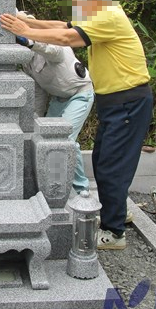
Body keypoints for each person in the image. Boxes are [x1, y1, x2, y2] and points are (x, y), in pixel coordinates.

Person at [0, 0, 153, 250]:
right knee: (106, 161)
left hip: (128, 101)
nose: (76, 5)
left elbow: (67, 39)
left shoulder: (110, 16)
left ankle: (114, 231)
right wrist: (23, 21)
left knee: (111, 165)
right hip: (116, 102)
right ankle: (116, 211)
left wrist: (25, 31)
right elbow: (63, 26)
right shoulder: (101, 13)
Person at [16, 14, 94, 193]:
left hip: (80, 94)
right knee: (45, 138)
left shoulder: (52, 42)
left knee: (65, 141)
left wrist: (30, 41)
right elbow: (38, 93)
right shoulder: (26, 61)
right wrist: (35, 120)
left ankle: (82, 188)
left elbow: (55, 52)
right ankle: (51, 184)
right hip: (58, 99)